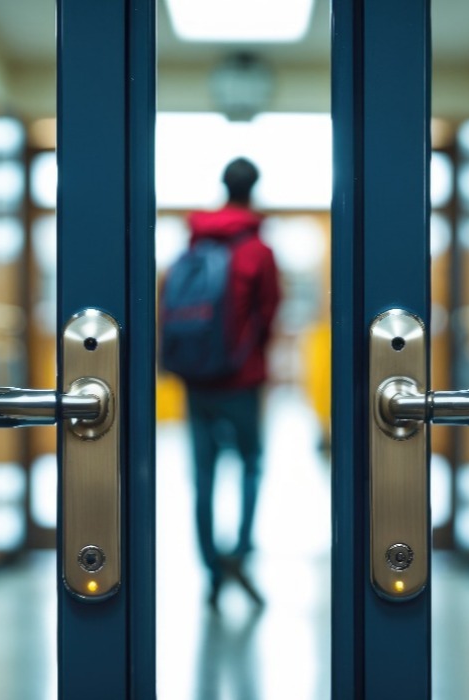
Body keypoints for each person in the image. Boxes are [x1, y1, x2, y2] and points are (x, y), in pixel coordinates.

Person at [184, 157, 280, 608]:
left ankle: (211, 569)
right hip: (242, 378)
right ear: (253, 188)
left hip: (197, 378)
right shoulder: (258, 251)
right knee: (249, 464)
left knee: (203, 475)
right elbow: (269, 314)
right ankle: (239, 552)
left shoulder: (195, 242)